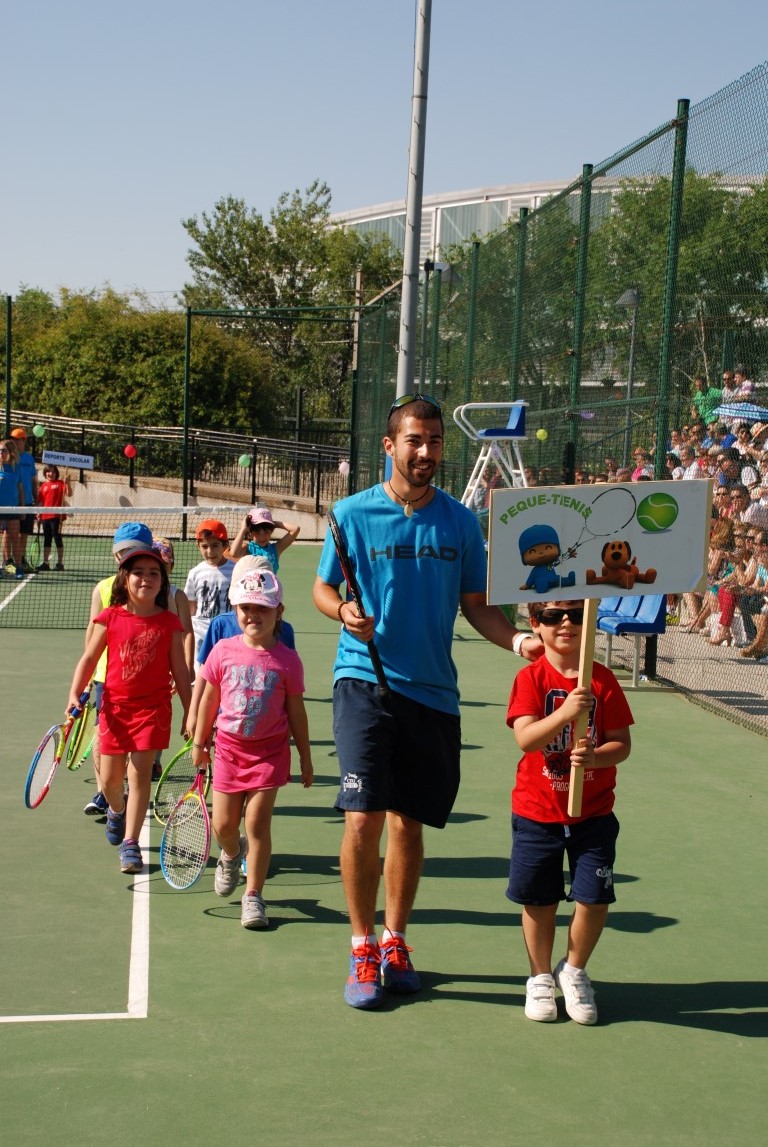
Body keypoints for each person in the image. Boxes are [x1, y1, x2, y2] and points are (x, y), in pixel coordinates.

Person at [312, 393, 543, 1009]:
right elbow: (322, 588)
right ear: (390, 445)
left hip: (433, 691)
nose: (425, 451)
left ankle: (395, 940)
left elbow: (478, 606)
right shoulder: (350, 514)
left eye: (435, 441)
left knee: (407, 822)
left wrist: (520, 640)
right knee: (362, 817)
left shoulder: (461, 523)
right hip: (363, 681)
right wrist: (344, 612)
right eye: (414, 440)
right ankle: (361, 945)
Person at [505, 599, 633, 1025]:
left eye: (577, 615)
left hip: (593, 814)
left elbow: (621, 743)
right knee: (539, 899)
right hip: (537, 811)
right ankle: (540, 976)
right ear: (536, 625)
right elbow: (526, 738)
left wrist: (597, 758)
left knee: (594, 898)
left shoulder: (603, 679)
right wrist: (565, 712)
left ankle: (573, 970)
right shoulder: (530, 678)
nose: (565, 622)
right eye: (553, 616)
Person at [192, 569, 313, 928]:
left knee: (257, 823)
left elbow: (296, 711)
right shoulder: (222, 651)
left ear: (279, 612)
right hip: (228, 752)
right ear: (235, 610)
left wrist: (305, 756)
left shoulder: (287, 660)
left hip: (269, 754)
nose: (253, 615)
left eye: (262, 608)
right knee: (223, 825)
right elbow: (209, 699)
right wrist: (199, 742)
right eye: (245, 607)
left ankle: (254, 896)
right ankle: (231, 854)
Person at [68, 542, 191, 873]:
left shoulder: (169, 623)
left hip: (153, 710)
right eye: (138, 572)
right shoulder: (110, 617)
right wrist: (74, 693)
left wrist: (190, 711)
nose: (146, 578)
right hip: (114, 710)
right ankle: (117, 810)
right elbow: (89, 658)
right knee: (111, 781)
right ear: (125, 578)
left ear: (162, 582)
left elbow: (180, 671)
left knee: (139, 775)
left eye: (154, 573)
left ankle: (131, 843)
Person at [82, 521, 156, 816]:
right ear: (116, 555)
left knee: (136, 745)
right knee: (102, 736)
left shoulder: (155, 589)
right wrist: (88, 675)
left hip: (144, 679)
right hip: (107, 677)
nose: (127, 556)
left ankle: (127, 790)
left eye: (135, 551)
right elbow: (92, 632)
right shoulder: (103, 588)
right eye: (123, 551)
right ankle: (104, 792)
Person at [186, 555, 297, 737]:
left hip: (270, 730)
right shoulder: (220, 625)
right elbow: (205, 674)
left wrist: (290, 724)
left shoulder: (285, 631)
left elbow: (290, 682)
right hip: (226, 724)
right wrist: (194, 713)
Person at [150, 536, 195, 780]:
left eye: (165, 564)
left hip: (171, 665)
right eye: (156, 563)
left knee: (162, 714)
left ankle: (154, 761)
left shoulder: (177, 596)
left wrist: (187, 666)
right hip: (148, 665)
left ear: (171, 566)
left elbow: (187, 632)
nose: (160, 568)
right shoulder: (141, 595)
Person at [184, 519, 236, 663]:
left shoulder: (236, 570)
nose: (210, 551)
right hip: (201, 632)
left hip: (228, 631)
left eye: (215, 545)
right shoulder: (195, 573)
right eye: (205, 546)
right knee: (200, 670)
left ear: (225, 545)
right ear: (198, 546)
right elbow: (191, 609)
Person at [229, 506, 300, 573]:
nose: (262, 537)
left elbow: (295, 529)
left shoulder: (276, 549)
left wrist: (273, 523)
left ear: (271, 531)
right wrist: (243, 529)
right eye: (257, 532)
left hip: (270, 582)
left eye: (266, 531)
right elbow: (233, 553)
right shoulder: (248, 548)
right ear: (250, 532)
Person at [10, 428, 39, 572]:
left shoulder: (29, 458)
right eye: (13, 439)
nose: (14, 442)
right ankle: (10, 562)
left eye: (17, 439)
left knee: (24, 533)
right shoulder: (9, 457)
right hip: (13, 502)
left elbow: (34, 480)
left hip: (28, 502)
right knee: (10, 534)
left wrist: (36, 498)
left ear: (23, 441)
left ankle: (21, 560)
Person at [36, 464, 72, 571]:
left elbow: (69, 494)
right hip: (45, 517)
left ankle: (60, 563)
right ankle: (45, 563)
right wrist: (38, 514)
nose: (51, 474)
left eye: (53, 472)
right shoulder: (43, 486)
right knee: (47, 539)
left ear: (56, 473)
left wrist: (68, 483)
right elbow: (41, 502)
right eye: (48, 471)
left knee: (57, 538)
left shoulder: (61, 483)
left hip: (57, 516)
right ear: (45, 473)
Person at [1, 438, 25, 577]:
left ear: (10, 452)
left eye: (3, 450)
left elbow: (20, 490)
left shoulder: (17, 468)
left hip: (13, 508)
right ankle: (5, 566)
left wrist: (23, 508)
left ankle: (19, 567)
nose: (1, 453)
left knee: (15, 537)